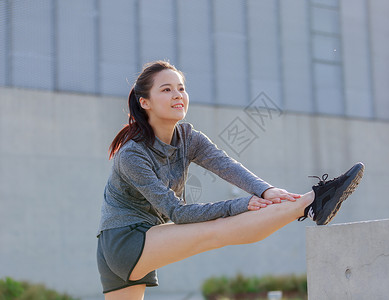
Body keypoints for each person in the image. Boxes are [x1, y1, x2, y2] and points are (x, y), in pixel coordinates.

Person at [96, 60, 364, 299]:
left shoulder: (188, 138)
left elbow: (226, 165)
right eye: (166, 90)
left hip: (125, 242)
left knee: (222, 225)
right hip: (126, 240)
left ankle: (310, 201)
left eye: (180, 88)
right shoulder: (132, 154)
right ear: (145, 102)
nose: (178, 95)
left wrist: (265, 190)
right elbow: (177, 211)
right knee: (217, 230)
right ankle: (313, 201)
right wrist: (240, 205)